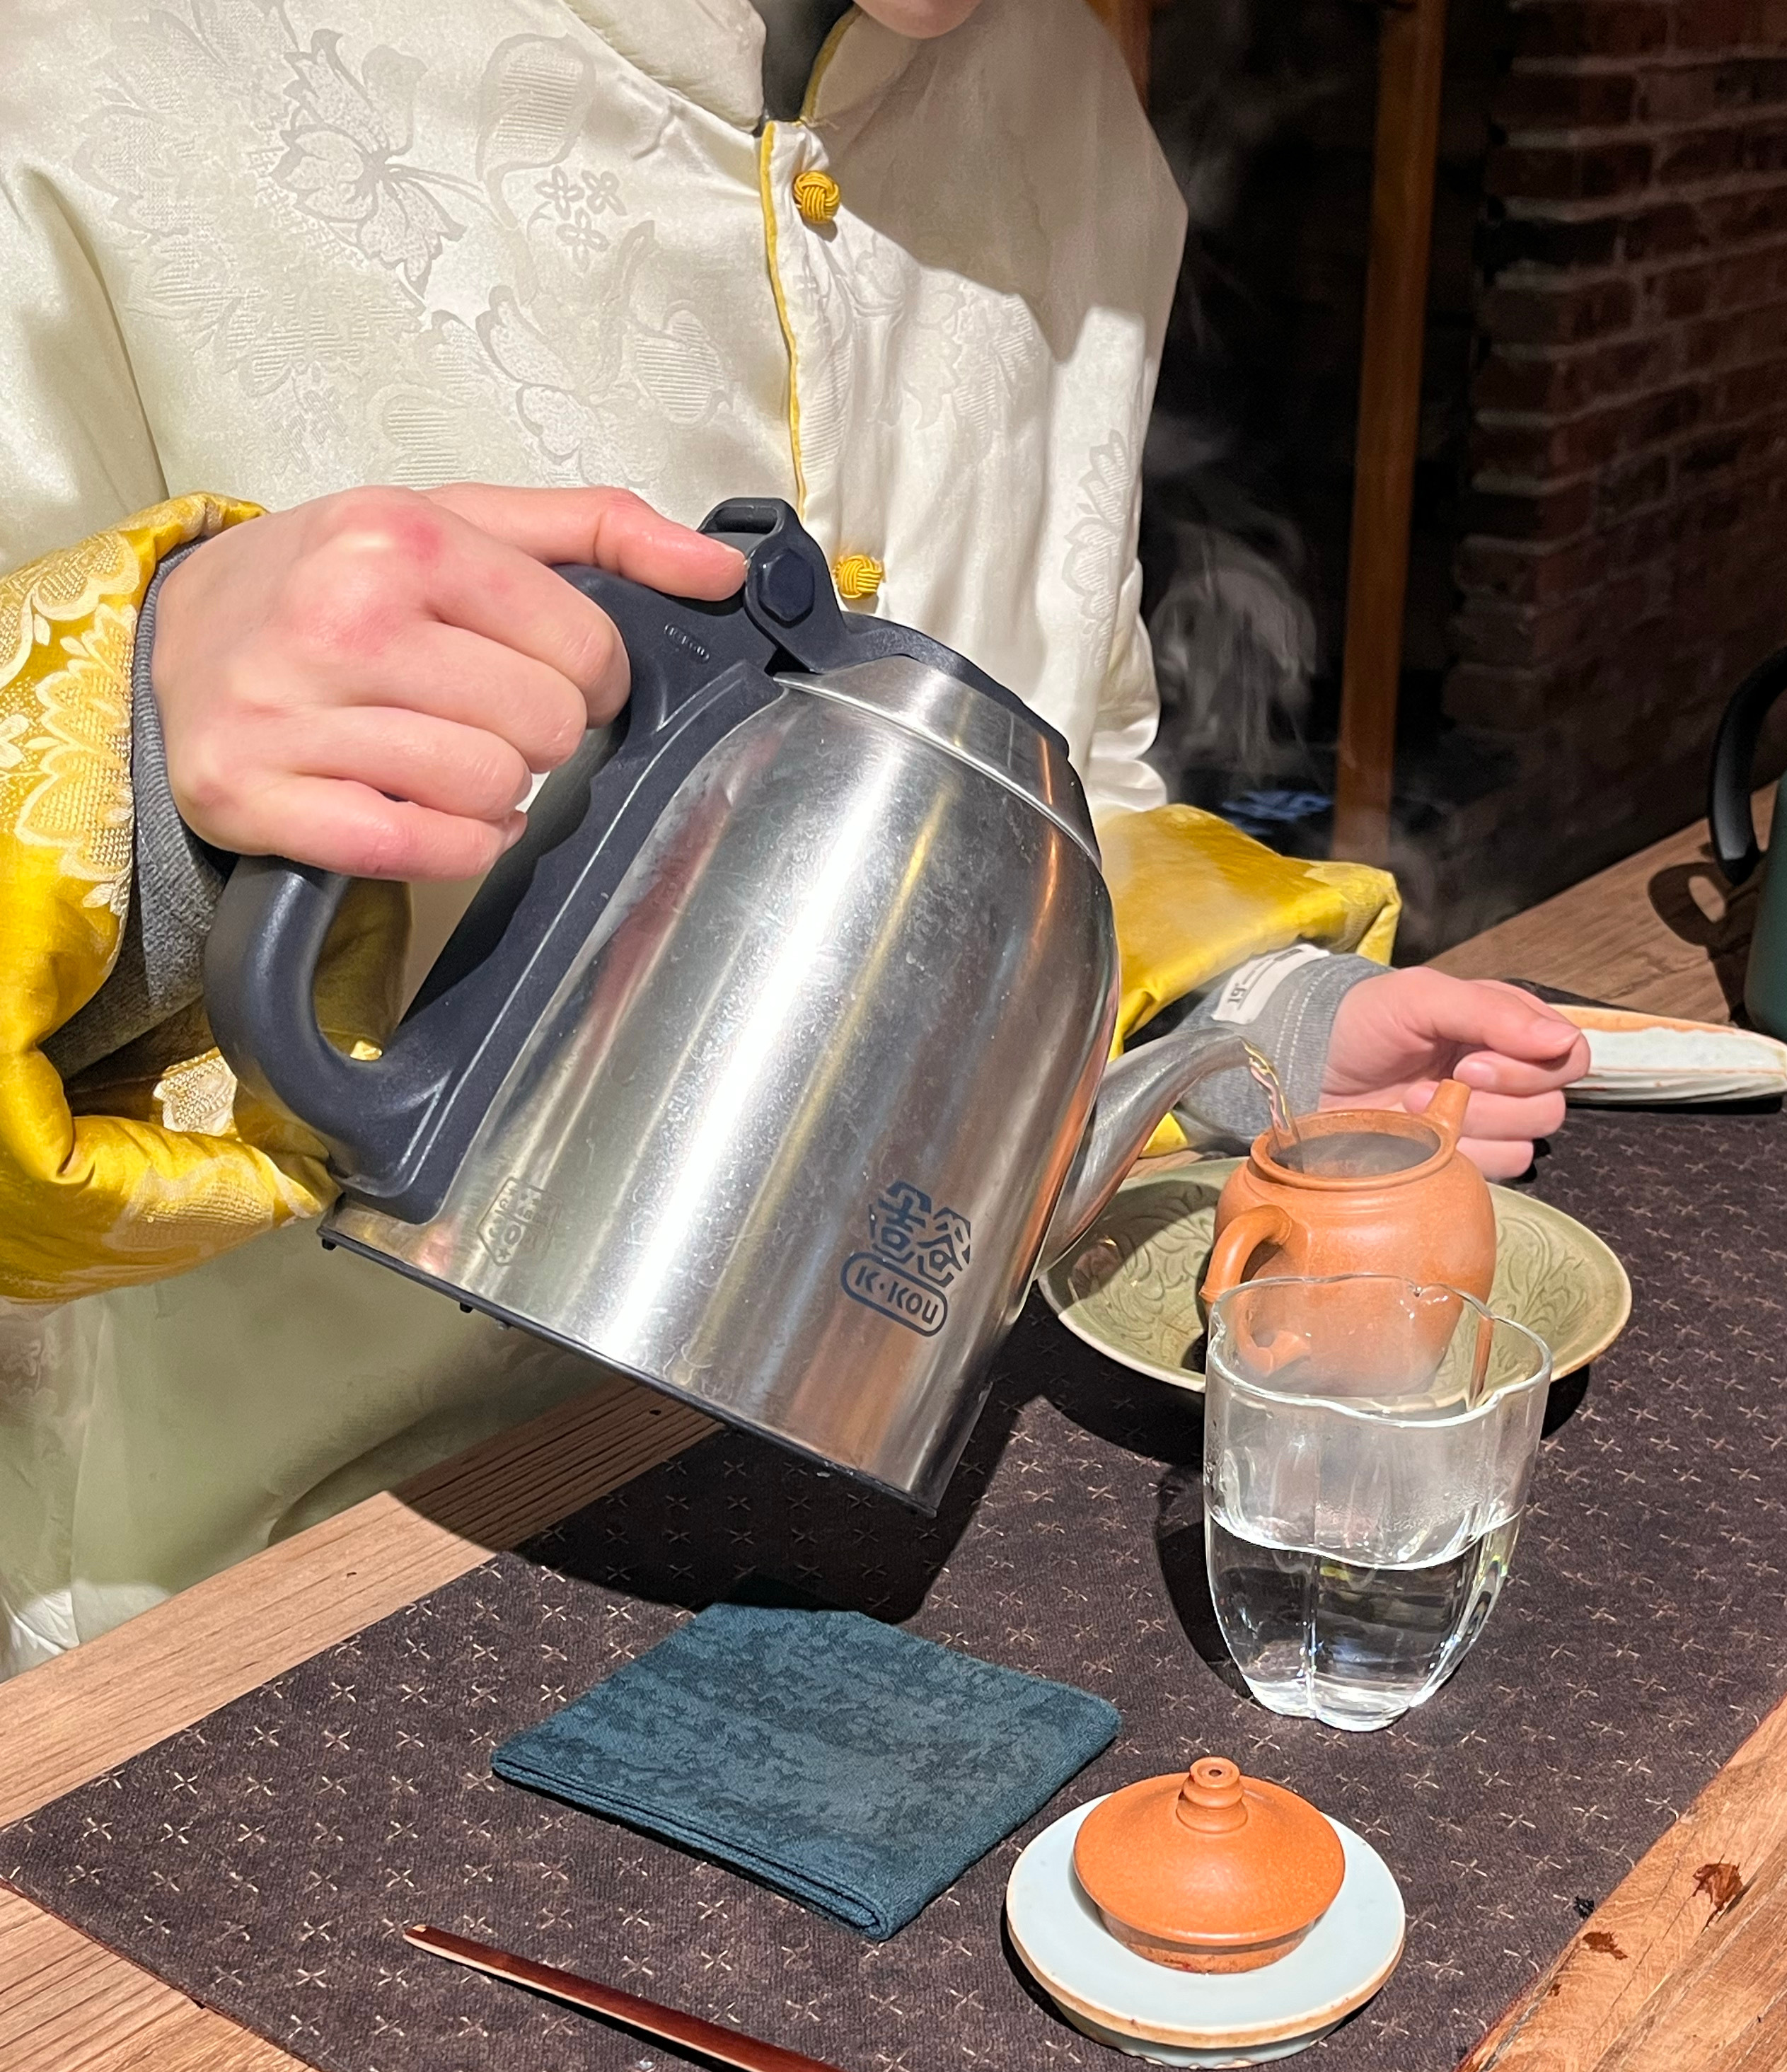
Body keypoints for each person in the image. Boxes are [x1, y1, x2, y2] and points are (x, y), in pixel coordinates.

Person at [0, 0, 1583, 1673]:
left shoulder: (1076, 128)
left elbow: (1073, 804)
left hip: (871, 1530)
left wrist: (1238, 1038)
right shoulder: (101, 64)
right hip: (261, 1586)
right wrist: (128, 738)